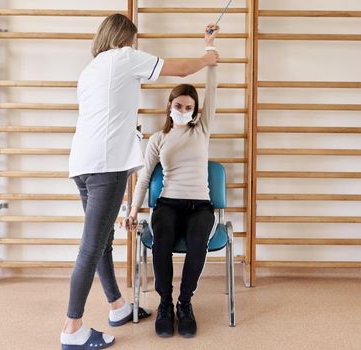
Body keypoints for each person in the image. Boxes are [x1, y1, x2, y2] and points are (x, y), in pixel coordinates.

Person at [61, 14, 219, 350]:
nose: (135, 45)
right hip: (107, 166)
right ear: (126, 38)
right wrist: (207, 57)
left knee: (101, 242)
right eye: (133, 40)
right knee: (91, 247)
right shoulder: (124, 57)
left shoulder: (91, 70)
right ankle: (72, 329)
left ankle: (117, 307)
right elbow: (179, 70)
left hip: (83, 164)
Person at [124, 23, 220, 339]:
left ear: (195, 112)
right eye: (178, 105)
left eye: (188, 107)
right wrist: (132, 210)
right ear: (170, 106)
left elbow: (212, 84)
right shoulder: (158, 139)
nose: (183, 110)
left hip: (200, 207)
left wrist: (209, 46)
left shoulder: (201, 130)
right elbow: (143, 178)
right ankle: (165, 303)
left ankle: (185, 303)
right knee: (161, 240)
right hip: (168, 204)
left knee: (197, 244)